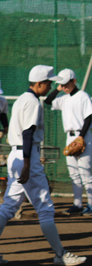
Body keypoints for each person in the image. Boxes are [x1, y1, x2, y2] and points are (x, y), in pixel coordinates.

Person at [0, 65, 86, 266]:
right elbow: (28, 133)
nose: (49, 87)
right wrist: (28, 163)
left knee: (8, 207)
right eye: (48, 83)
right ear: (39, 84)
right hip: (26, 156)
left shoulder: (22, 99)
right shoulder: (32, 102)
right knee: (45, 208)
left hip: (17, 154)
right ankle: (60, 254)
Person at [45, 69, 92, 215]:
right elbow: (48, 101)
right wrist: (58, 88)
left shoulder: (83, 96)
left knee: (85, 173)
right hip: (69, 137)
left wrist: (81, 138)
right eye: (61, 84)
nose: (64, 87)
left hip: (82, 136)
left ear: (74, 81)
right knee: (74, 173)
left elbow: (89, 117)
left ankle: (91, 205)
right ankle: (77, 204)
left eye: (66, 84)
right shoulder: (64, 98)